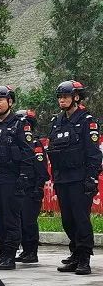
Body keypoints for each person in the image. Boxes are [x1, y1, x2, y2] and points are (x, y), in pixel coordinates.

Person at [47, 81, 102, 275]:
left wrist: (91, 178)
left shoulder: (87, 121)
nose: (62, 100)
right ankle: (75, 254)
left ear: (76, 97)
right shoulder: (57, 121)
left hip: (80, 179)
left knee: (81, 219)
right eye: (60, 97)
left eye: (65, 97)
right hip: (62, 179)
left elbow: (93, 153)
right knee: (68, 220)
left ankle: (84, 257)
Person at [0, 85, 34, 271]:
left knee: (10, 219)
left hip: (11, 179)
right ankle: (3, 252)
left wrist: (24, 176)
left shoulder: (20, 124)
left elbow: (28, 153)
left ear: (10, 102)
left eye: (0, 100)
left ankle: (10, 255)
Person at [15, 109, 49, 264]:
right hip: (19, 187)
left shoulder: (35, 144)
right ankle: (25, 250)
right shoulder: (18, 143)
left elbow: (41, 169)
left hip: (32, 188)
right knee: (20, 221)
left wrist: (38, 187)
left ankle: (32, 251)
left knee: (29, 221)